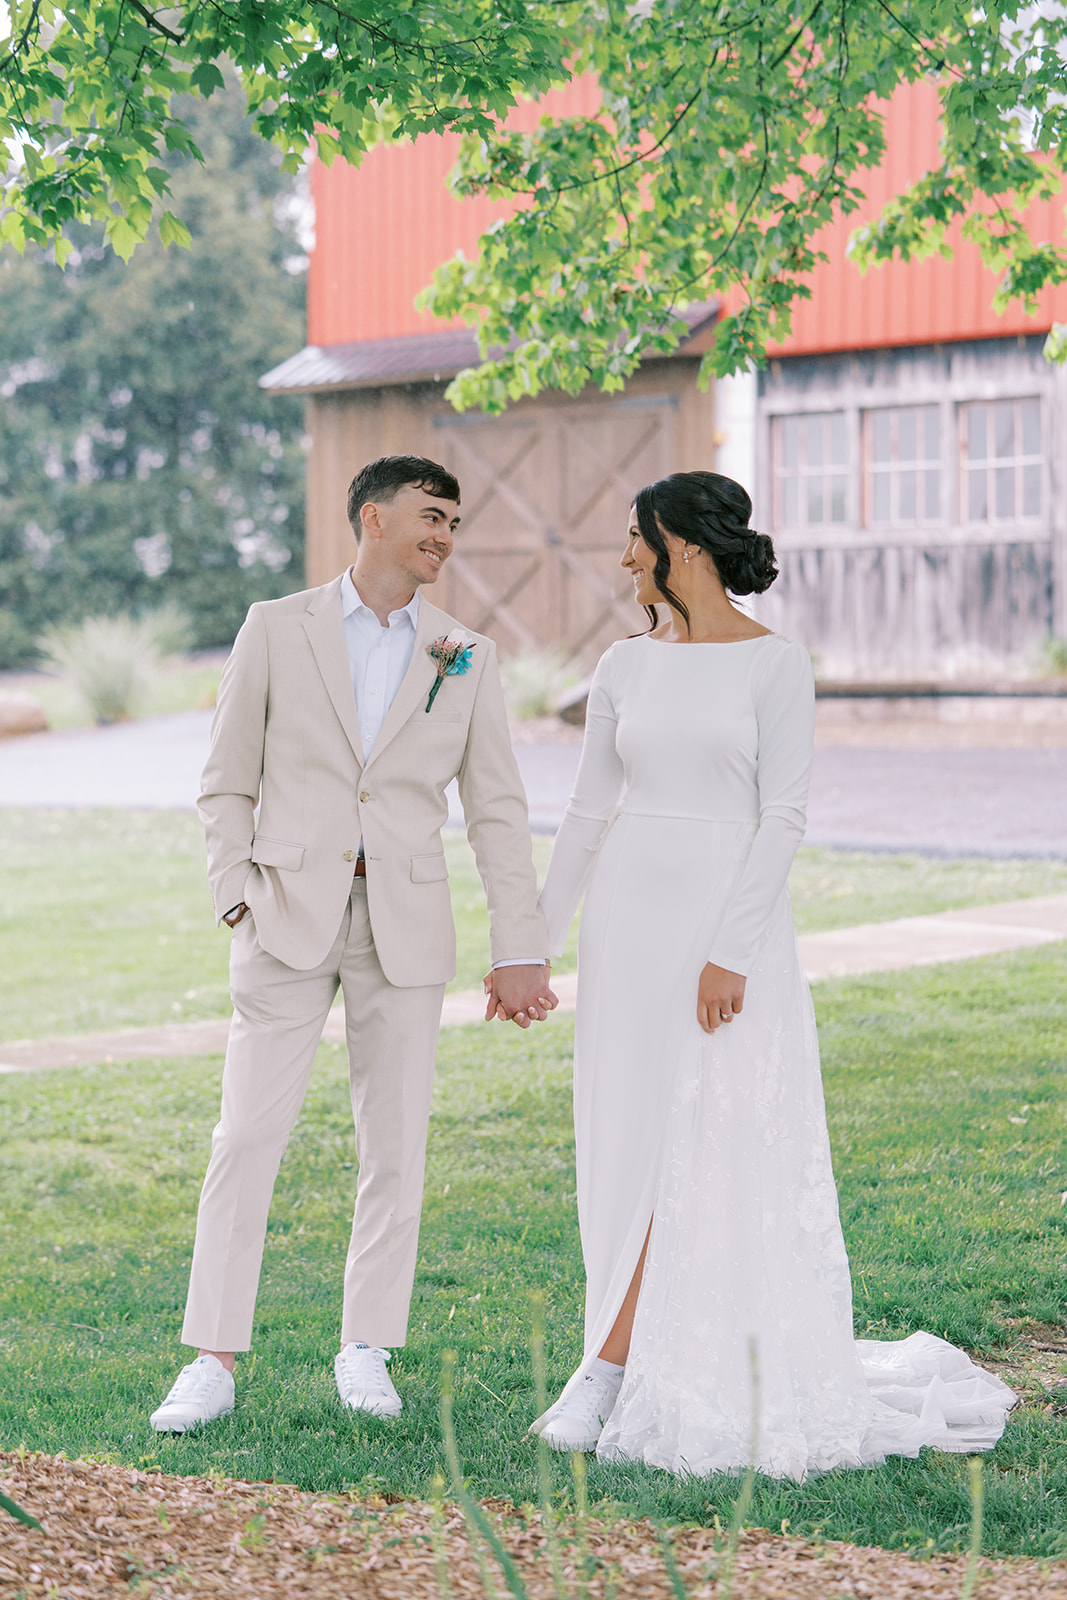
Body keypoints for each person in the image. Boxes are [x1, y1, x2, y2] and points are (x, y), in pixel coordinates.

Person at [531, 470, 1014, 1478]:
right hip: (626, 923)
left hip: (722, 929)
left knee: (705, 1130)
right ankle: (613, 1348)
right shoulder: (621, 665)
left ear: (683, 547)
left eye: (635, 539)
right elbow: (584, 814)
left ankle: (610, 1370)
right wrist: (531, 940)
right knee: (624, 1135)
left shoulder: (775, 666)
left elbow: (782, 816)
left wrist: (730, 950)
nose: (623, 559)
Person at [150, 454, 556, 1434]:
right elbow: (224, 778)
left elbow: (496, 811)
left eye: (454, 522)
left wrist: (521, 946)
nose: (444, 536)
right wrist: (235, 896)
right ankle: (211, 1356)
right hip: (283, 913)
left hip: (404, 925)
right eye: (429, 515)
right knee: (246, 1134)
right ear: (371, 517)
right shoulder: (273, 628)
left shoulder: (466, 652)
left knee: (395, 1145)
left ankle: (366, 1345)